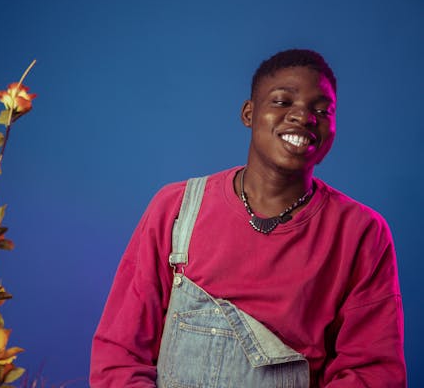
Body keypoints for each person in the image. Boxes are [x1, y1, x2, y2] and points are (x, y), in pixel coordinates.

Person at [90, 49, 406, 387]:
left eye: (322, 109)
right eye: (283, 102)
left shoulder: (360, 233)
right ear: (249, 113)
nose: (304, 117)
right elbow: (119, 355)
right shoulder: (177, 208)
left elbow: (374, 372)